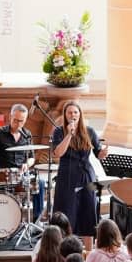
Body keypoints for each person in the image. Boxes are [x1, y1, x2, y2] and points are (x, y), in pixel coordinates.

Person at [51, 101, 108, 236]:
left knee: (89, 211)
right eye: (69, 112)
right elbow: (58, 153)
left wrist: (103, 153)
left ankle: (89, 250)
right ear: (65, 115)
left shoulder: (89, 131)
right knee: (67, 211)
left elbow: (98, 153)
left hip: (87, 174)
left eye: (75, 112)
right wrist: (69, 135)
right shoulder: (59, 131)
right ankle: (66, 246)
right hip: (67, 175)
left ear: (80, 114)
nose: (73, 115)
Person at [0, 104, 45, 220]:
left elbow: (31, 157)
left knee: (40, 182)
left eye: (21, 121)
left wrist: (27, 164)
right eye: (15, 120)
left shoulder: (27, 135)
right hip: (1, 175)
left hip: (21, 174)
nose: (18, 124)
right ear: (10, 117)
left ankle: (37, 219)